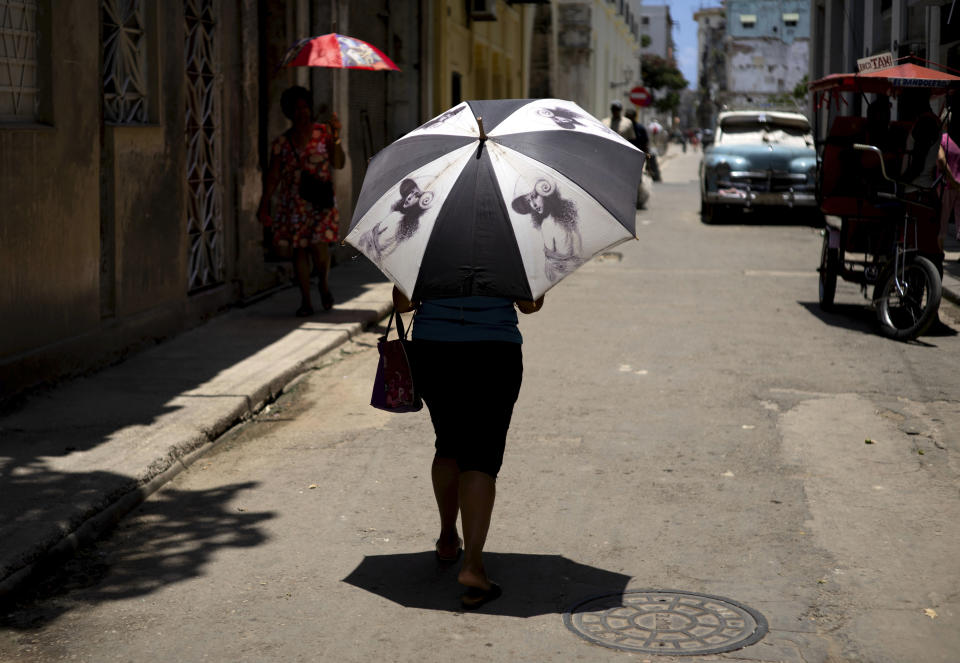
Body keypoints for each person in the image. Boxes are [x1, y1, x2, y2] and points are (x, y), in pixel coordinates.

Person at [392, 285, 544, 609]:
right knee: (481, 457)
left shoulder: (429, 239)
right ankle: (473, 565)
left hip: (434, 352)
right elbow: (531, 305)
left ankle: (448, 538)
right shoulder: (511, 240)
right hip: (495, 352)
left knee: (447, 444)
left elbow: (403, 303)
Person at [258, 86, 345, 317]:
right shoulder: (281, 143)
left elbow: (339, 163)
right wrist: (264, 204)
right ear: (289, 112)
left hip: (321, 202)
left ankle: (324, 286)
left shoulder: (324, 133)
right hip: (294, 203)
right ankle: (306, 301)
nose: (301, 112)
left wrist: (336, 138)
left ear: (310, 109)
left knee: (319, 247)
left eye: (304, 107)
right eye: (296, 109)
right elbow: (273, 175)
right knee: (299, 250)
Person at [937, 102, 960, 244]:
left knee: (942, 223)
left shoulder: (941, 140)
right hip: (958, 185)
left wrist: (951, 180)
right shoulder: (955, 142)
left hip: (947, 186)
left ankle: (938, 253)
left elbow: (941, 160)